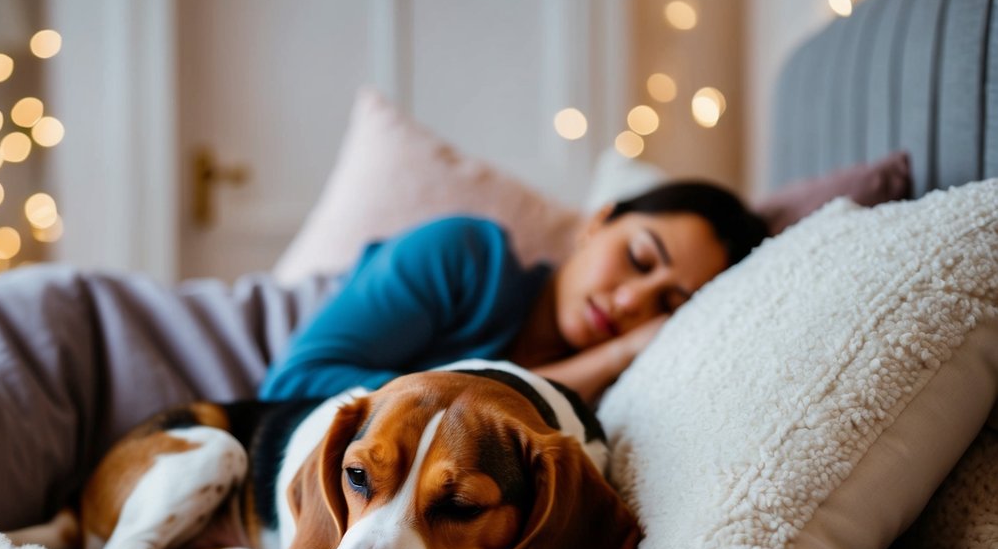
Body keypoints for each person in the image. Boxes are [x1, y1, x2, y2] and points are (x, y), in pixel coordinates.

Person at [260, 181, 769, 403]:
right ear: (598, 222)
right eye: (638, 258)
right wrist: (614, 353)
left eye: (668, 305)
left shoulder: (621, 396)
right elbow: (290, 388)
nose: (632, 301)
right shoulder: (462, 255)